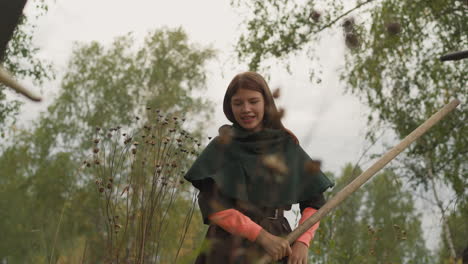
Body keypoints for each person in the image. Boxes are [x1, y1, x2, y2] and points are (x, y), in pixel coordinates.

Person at [184, 72, 334, 264]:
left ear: (266, 103)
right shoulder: (221, 147)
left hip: (278, 247)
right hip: (227, 248)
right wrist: (262, 237)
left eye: (253, 101)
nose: (246, 109)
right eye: (238, 103)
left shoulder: (285, 145)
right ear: (230, 107)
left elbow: (314, 202)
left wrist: (302, 242)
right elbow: (214, 206)